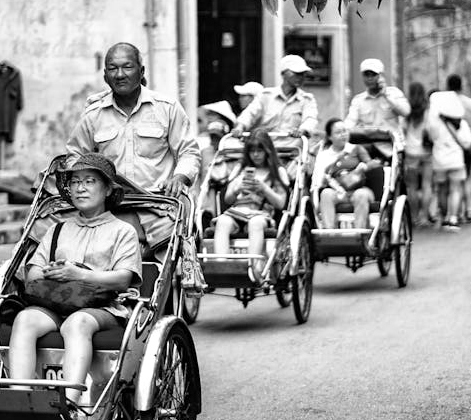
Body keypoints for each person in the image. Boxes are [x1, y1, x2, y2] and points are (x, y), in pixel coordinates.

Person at [9, 153, 142, 409]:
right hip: (56, 302)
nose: (80, 188)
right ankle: (20, 399)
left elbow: (124, 279)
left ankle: (70, 403)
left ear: (106, 190)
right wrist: (53, 273)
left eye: (90, 181)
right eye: (75, 182)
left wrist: (78, 274)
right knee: (24, 318)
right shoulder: (57, 229)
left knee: (77, 322)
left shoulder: (122, 231)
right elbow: (33, 273)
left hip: (101, 308)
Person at [66, 42, 201, 250]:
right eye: (113, 68)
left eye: (127, 67)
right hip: (110, 208)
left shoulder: (167, 108)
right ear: (105, 76)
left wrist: (179, 177)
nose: (120, 74)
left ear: (141, 71)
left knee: (174, 261)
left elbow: (189, 152)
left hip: (158, 208)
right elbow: (75, 157)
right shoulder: (93, 115)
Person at [213, 128, 288, 278]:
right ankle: (221, 266)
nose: (256, 155)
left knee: (256, 223)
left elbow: (281, 203)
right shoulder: (241, 169)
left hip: (261, 214)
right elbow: (227, 199)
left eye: (259, 151)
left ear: (267, 151)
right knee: (222, 221)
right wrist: (237, 189)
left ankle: (254, 267)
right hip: (237, 211)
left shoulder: (276, 172)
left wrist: (264, 189)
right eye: (252, 151)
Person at [312, 118, 378, 229]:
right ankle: (329, 233)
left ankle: (360, 233)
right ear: (329, 137)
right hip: (337, 192)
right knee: (326, 193)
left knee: (360, 194)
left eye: (345, 131)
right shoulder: (323, 156)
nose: (343, 135)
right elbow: (317, 182)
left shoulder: (356, 149)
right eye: (338, 132)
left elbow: (373, 164)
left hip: (359, 189)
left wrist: (364, 167)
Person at [231, 55, 318, 139]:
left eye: (303, 74)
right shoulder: (265, 96)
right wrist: (240, 126)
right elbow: (250, 113)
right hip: (265, 149)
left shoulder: (307, 100)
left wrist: (302, 130)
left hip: (293, 150)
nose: (300, 77)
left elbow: (310, 119)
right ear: (283, 73)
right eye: (296, 73)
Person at [426, 90, 471, 231]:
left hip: (439, 160)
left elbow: (430, 138)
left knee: (441, 189)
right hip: (456, 160)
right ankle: (453, 218)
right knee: (455, 189)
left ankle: (443, 216)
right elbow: (468, 142)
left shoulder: (434, 124)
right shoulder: (461, 123)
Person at [344, 58, 411, 158]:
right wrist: (341, 130)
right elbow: (350, 121)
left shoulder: (394, 93)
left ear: (381, 76)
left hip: (391, 148)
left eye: (373, 75)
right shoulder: (358, 100)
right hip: (368, 147)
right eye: (367, 75)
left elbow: (406, 112)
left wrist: (386, 96)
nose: (370, 78)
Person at [445, 73, 471, 222]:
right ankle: (467, 210)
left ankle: (454, 212)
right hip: (469, 145)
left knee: (454, 182)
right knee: (469, 178)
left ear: (448, 86)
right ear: (461, 85)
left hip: (451, 145)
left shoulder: (446, 104)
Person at [402, 82, 434, 226]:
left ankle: (414, 217)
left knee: (412, 187)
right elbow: (433, 130)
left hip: (410, 152)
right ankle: (424, 217)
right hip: (427, 152)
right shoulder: (428, 110)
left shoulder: (406, 111)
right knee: (427, 185)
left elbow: (401, 130)